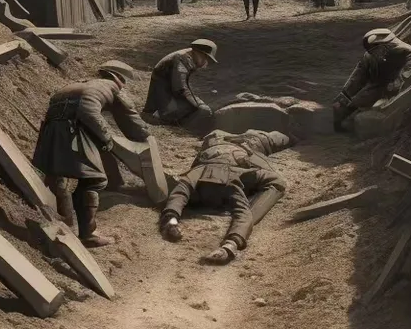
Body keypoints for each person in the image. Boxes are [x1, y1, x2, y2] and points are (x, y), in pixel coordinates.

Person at [33, 62, 149, 247]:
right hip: (73, 128)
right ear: (117, 78)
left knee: (58, 177)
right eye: (123, 81)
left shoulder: (79, 84)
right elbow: (127, 116)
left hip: (51, 129)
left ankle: (66, 224)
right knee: (94, 180)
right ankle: (89, 234)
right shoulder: (110, 86)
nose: (123, 85)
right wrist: (144, 135)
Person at [159, 129, 289, 264]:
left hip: (213, 161)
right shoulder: (256, 143)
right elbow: (243, 213)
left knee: (183, 189)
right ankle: (232, 243)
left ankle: (172, 222)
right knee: (273, 187)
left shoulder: (212, 138)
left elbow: (180, 193)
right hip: (232, 164)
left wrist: (171, 217)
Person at [333, 29, 411, 132]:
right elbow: (358, 77)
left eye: (376, 49)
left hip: (400, 87)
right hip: (379, 85)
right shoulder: (369, 57)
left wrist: (400, 79)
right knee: (357, 101)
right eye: (372, 50)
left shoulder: (401, 49)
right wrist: (345, 95)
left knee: (386, 108)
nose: (374, 53)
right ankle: (340, 123)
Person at [143, 39, 217, 134]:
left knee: (197, 106)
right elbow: (180, 88)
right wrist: (198, 103)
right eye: (205, 58)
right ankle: (159, 117)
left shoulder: (187, 57)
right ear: (198, 52)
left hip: (166, 92)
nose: (205, 62)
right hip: (162, 100)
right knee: (200, 109)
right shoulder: (181, 59)